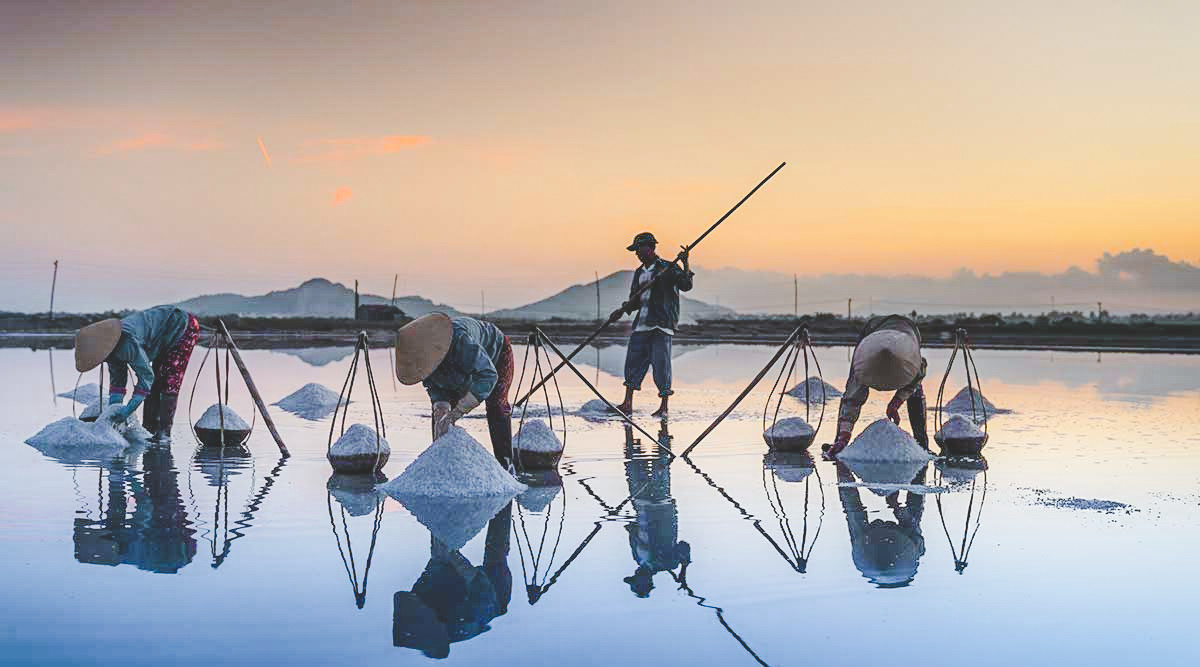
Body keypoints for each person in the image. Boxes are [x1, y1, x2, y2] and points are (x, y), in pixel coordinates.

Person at [393, 503, 513, 659]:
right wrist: (454, 557)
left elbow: (434, 569)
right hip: (494, 595)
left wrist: (441, 547)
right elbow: (479, 581)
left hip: (454, 592)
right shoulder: (467, 621)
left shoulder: (416, 609)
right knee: (495, 550)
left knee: (442, 547)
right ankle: (505, 500)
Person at [395, 313, 514, 465]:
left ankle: (506, 464)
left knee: (496, 405)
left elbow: (488, 376)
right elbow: (435, 388)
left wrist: (458, 411)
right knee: (441, 416)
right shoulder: (423, 362)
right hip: (459, 367)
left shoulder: (460, 341)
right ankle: (438, 461)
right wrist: (441, 408)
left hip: (495, 353)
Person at [74, 305, 201, 441]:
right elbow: (118, 381)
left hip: (181, 327)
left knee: (169, 380)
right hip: (160, 338)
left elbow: (146, 376)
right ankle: (148, 429)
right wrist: (113, 411)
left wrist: (130, 408)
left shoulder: (126, 343)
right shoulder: (108, 349)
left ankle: (164, 433)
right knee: (155, 383)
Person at [611, 232, 694, 418]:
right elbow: (635, 300)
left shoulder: (668, 268)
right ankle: (627, 403)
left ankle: (664, 407)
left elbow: (686, 285)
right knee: (632, 364)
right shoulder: (639, 273)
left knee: (661, 365)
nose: (637, 254)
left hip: (661, 324)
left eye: (639, 249)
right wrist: (622, 310)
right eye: (636, 251)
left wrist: (685, 264)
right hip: (641, 325)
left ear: (650, 247)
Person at [824, 314, 928, 459]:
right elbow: (852, 398)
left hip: (908, 331)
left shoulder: (911, 361)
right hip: (872, 331)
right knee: (853, 390)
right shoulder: (864, 361)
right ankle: (840, 443)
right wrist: (845, 434)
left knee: (916, 391)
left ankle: (922, 445)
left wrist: (896, 403)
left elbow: (915, 381)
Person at [622, 423, 691, 597]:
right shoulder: (669, 563)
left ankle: (629, 430)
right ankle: (664, 429)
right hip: (662, 505)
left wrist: (629, 527)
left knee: (632, 461)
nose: (636, 574)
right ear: (647, 581)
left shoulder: (637, 559)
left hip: (640, 505)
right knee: (662, 460)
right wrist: (683, 570)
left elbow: (633, 532)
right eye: (638, 579)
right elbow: (684, 546)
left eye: (635, 578)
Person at [834, 462, 926, 588]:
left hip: (886, 553)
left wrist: (895, 506)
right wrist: (895, 506)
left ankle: (920, 468)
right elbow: (852, 509)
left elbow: (912, 523)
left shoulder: (910, 558)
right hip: (869, 552)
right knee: (852, 509)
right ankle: (843, 470)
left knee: (915, 509)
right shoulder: (864, 562)